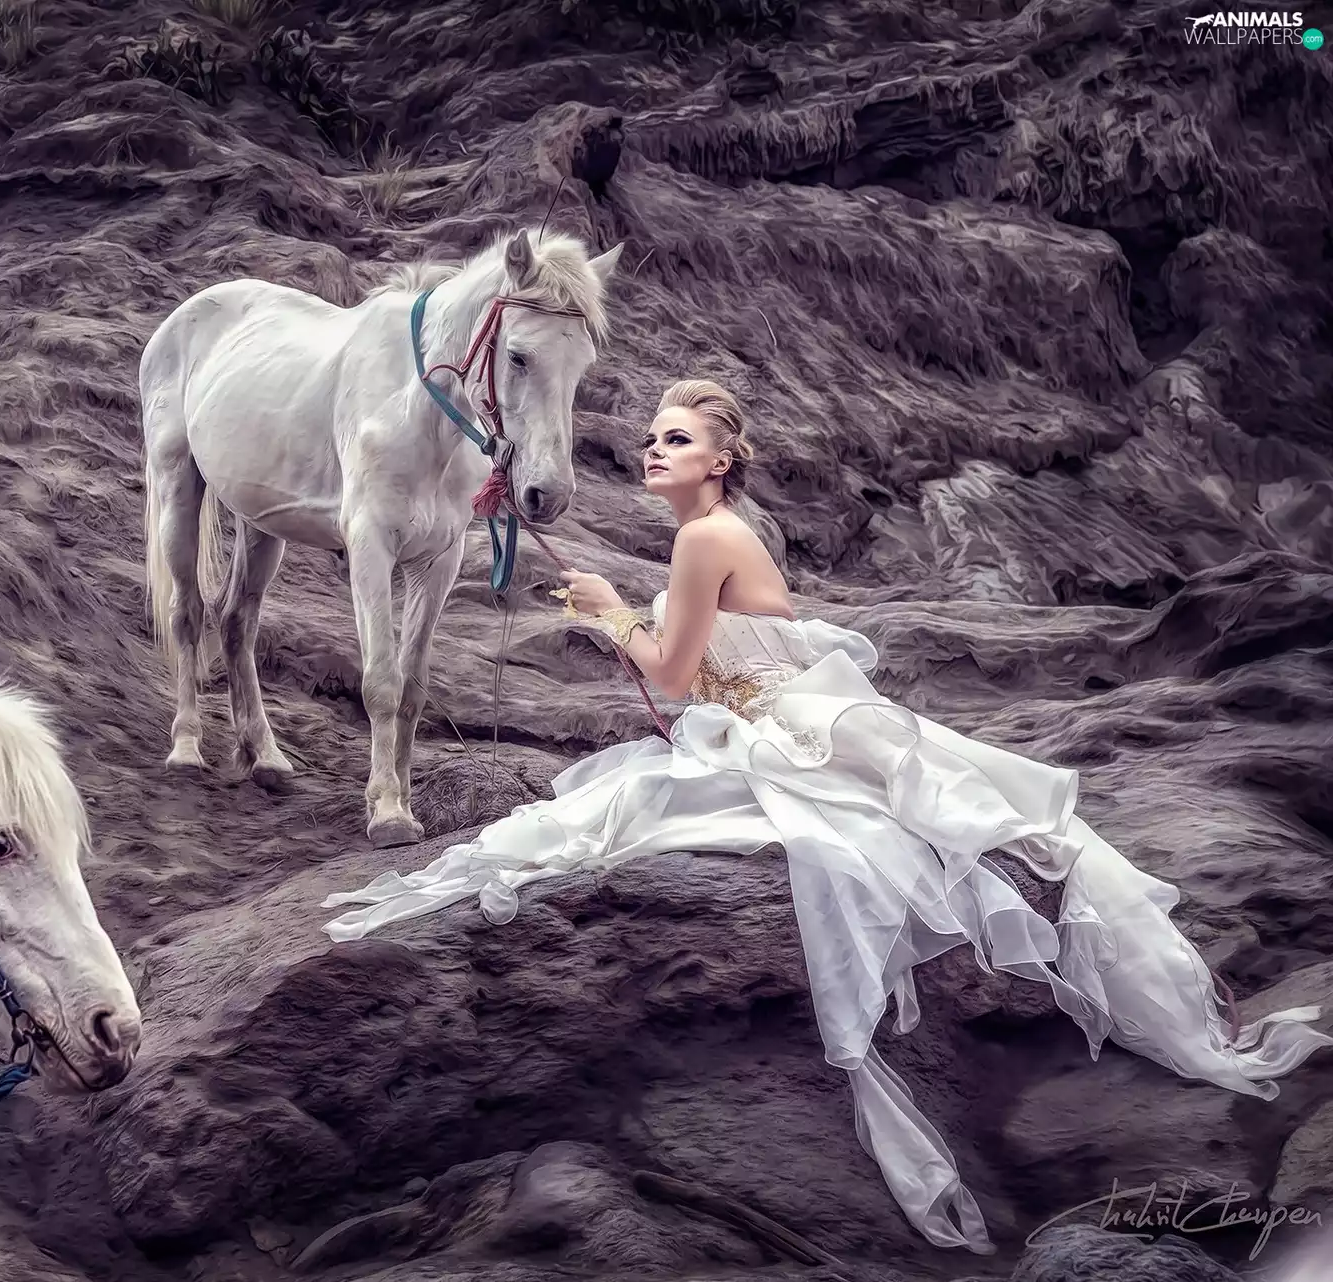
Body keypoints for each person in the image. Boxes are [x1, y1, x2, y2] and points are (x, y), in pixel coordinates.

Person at [319, 378, 1333, 1254]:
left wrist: (604, 611)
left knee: (632, 814)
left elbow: (674, 670)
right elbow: (701, 672)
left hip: (793, 729)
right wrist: (619, 612)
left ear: (720, 461)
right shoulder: (705, 534)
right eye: (652, 436)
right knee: (633, 807)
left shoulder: (708, 535)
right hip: (777, 721)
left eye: (676, 437)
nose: (653, 449)